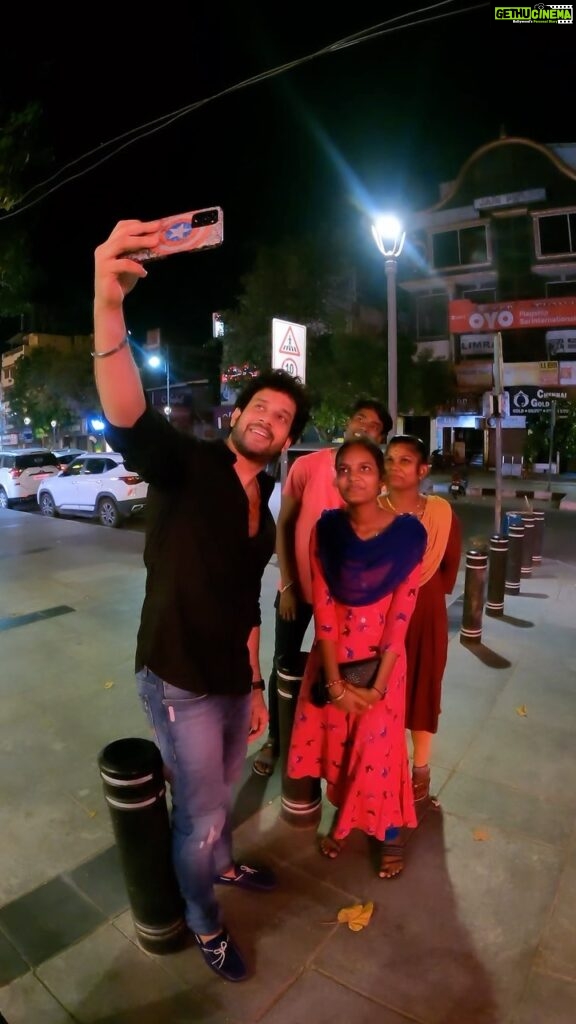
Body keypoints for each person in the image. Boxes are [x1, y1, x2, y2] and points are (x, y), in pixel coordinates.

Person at [92, 218, 311, 982]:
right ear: (237, 412)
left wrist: (253, 685)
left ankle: (217, 869)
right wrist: (107, 302)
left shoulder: (265, 500)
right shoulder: (187, 465)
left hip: (226, 678)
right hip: (178, 675)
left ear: (287, 439)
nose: (269, 419)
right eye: (261, 407)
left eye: (283, 418)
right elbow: (127, 415)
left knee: (215, 805)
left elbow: (249, 602)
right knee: (204, 810)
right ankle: (204, 920)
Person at [286, 438, 427, 879]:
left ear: (381, 477)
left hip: (383, 666)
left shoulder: (408, 535)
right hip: (333, 661)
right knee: (343, 749)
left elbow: (401, 614)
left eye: (364, 468)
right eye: (344, 470)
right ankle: (346, 820)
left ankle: (389, 834)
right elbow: (324, 610)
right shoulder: (326, 530)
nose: (352, 478)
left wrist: (377, 686)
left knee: (379, 751)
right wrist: (333, 683)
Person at [252, 398, 392, 778]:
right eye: (360, 417)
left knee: (339, 675)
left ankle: (322, 744)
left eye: (375, 425)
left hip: (348, 604)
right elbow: (285, 525)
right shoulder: (308, 466)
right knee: (284, 663)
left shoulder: (378, 480)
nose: (365, 425)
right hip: (299, 592)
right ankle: (275, 740)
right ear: (348, 421)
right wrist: (290, 585)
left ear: (381, 437)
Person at [379, 435, 462, 806]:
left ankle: (421, 770)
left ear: (422, 470)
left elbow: (448, 571)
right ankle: (387, 766)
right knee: (383, 693)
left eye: (405, 460)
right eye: (391, 459)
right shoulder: (370, 509)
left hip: (426, 613)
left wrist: (418, 591)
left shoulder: (441, 513)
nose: (396, 466)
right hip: (379, 617)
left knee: (424, 690)